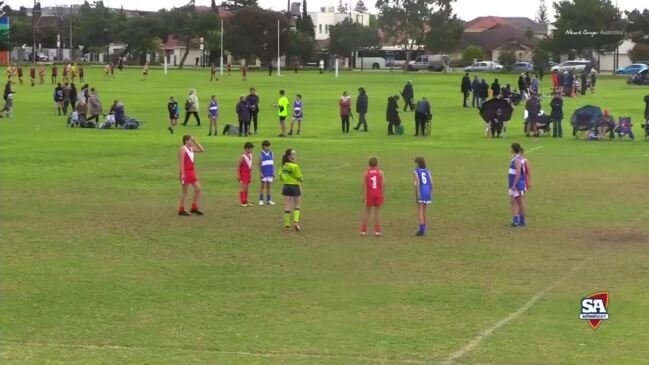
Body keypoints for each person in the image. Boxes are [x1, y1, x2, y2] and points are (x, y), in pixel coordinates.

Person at [178, 135, 205, 216]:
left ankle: (194, 207)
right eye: (190, 140)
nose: (191, 142)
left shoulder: (192, 148)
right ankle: (181, 209)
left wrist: (195, 141)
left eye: (191, 140)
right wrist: (182, 174)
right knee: (185, 192)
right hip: (185, 172)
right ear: (186, 141)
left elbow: (202, 150)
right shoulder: (182, 149)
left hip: (192, 172)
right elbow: (181, 162)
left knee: (198, 189)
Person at [280, 148, 303, 231]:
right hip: (295, 187)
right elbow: (300, 178)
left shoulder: (284, 165)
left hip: (286, 186)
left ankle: (287, 225)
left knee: (287, 206)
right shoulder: (295, 166)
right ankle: (296, 222)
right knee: (297, 205)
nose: (295, 155)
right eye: (293, 154)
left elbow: (281, 176)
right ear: (289, 156)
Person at [360, 157, 384, 237]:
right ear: (377, 164)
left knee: (367, 212)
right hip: (378, 193)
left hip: (370, 194)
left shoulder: (366, 172)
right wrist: (382, 194)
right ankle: (377, 231)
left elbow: (363, 184)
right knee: (377, 213)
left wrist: (362, 195)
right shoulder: (380, 172)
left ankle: (363, 230)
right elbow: (383, 184)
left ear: (369, 164)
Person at [508, 142, 527, 227]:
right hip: (512, 184)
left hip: (516, 185)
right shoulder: (514, 158)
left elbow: (518, 174)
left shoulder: (517, 160)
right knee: (513, 202)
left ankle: (521, 221)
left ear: (513, 149)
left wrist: (514, 184)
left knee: (519, 202)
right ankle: (516, 220)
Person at [413, 157, 433, 236]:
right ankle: (424, 228)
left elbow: (417, 182)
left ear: (418, 163)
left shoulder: (416, 171)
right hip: (427, 190)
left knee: (420, 210)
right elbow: (431, 182)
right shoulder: (427, 171)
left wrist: (417, 193)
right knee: (424, 211)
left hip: (421, 189)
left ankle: (421, 230)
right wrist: (430, 192)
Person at [258, 140, 276, 206]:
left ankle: (269, 200)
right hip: (264, 172)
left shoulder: (272, 153)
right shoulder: (261, 154)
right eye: (266, 146)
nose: (268, 147)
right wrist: (261, 173)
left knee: (269, 186)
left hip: (270, 172)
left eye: (268, 146)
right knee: (262, 186)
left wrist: (273, 172)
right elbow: (259, 164)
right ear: (263, 147)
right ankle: (261, 200)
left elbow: (272, 163)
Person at [237, 142, 254, 207]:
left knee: (247, 187)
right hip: (243, 174)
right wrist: (238, 175)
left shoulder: (251, 155)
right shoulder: (243, 157)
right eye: (251, 149)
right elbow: (238, 166)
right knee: (243, 187)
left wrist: (251, 173)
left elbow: (250, 165)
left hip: (248, 174)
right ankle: (242, 201)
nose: (252, 150)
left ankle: (246, 200)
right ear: (247, 149)